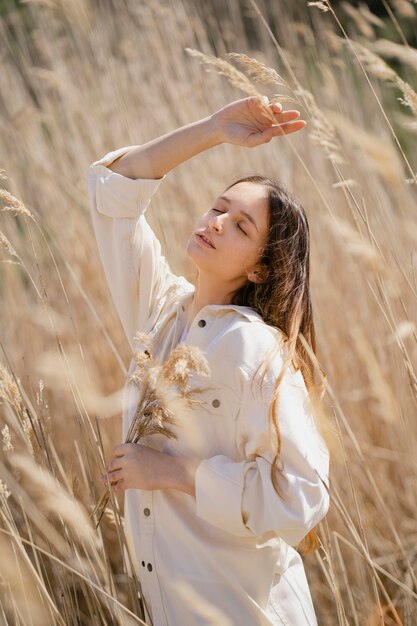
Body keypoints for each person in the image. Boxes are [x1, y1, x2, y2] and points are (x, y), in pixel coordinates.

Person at [87, 95, 330, 626]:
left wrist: (173, 472)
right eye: (219, 208)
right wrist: (214, 129)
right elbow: (115, 192)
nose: (218, 223)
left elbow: (304, 496)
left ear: (262, 271)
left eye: (242, 227)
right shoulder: (162, 314)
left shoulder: (255, 349)